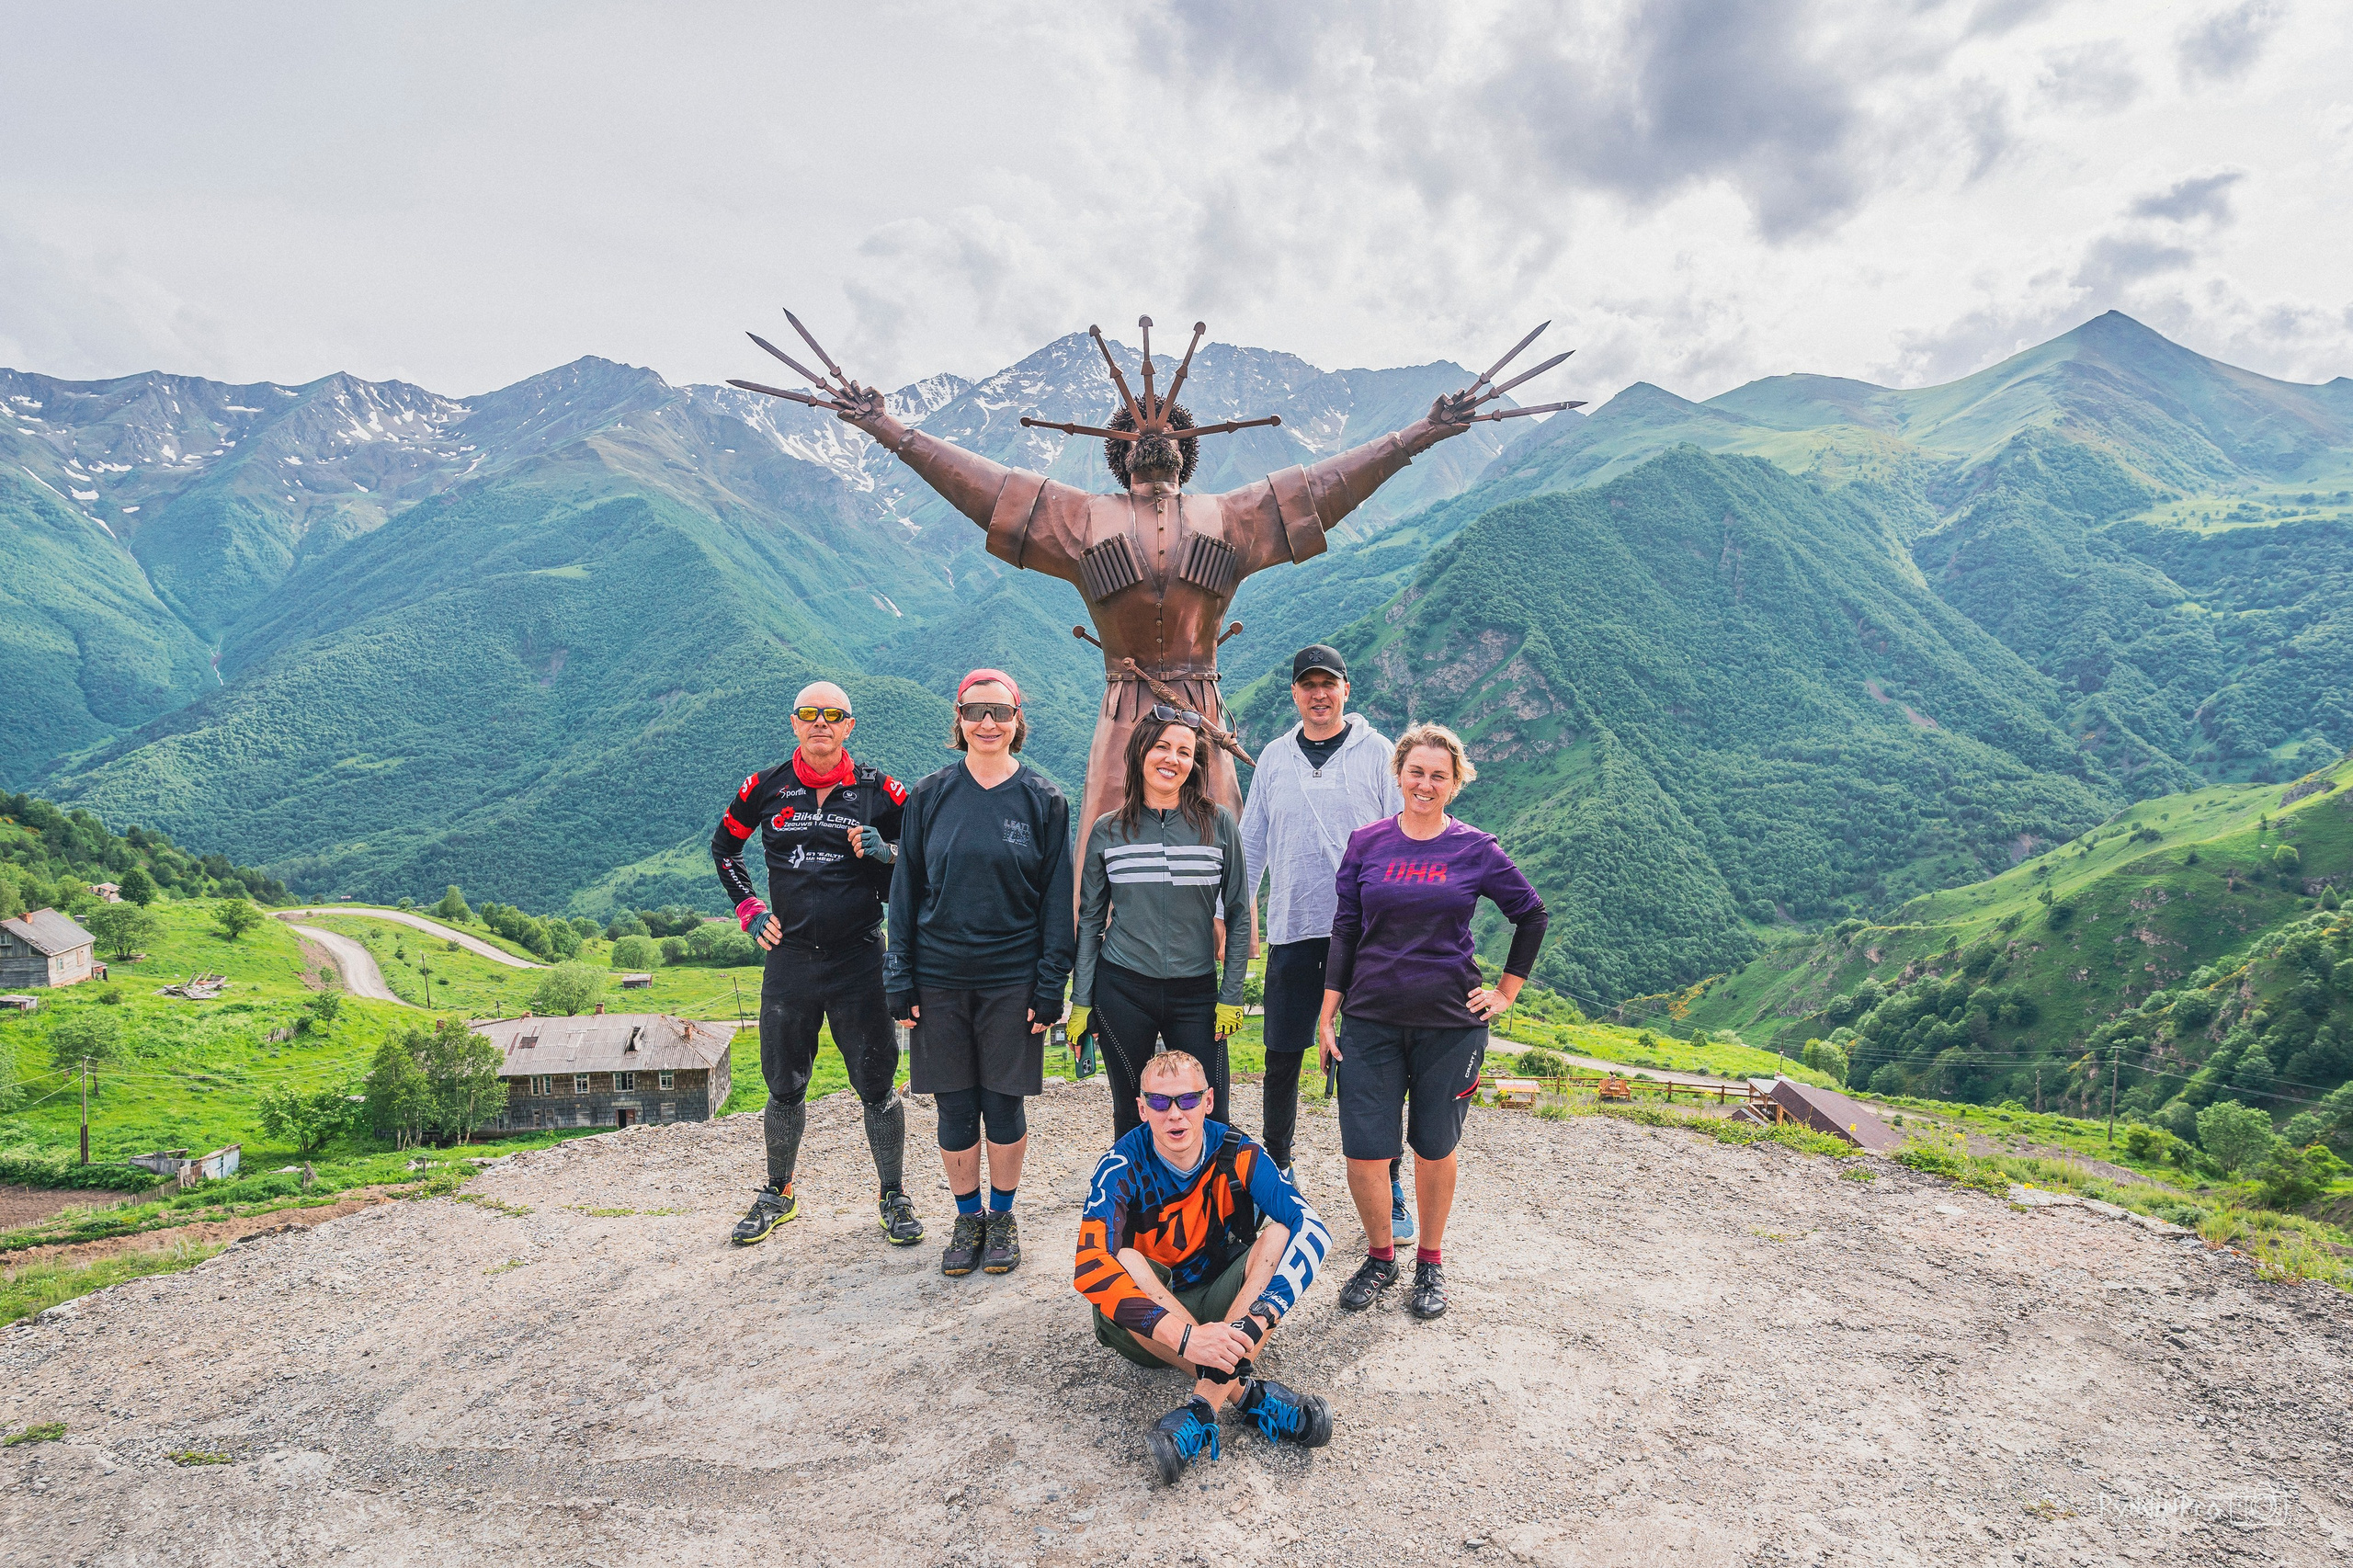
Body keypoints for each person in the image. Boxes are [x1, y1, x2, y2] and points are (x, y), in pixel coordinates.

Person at [1318, 722, 1547, 1322]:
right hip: (1369, 1021)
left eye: (1437, 775)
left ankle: (1430, 1262)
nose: (1425, 783)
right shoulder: (1366, 844)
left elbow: (1531, 913)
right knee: (1366, 1154)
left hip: (1450, 1025)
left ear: (1454, 783)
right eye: (1415, 772)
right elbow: (1344, 932)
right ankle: (1380, 1255)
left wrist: (1505, 993)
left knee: (1433, 1147)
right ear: (1398, 775)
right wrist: (1327, 1015)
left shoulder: (1476, 848)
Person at [710, 679, 921, 1248]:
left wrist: (889, 853)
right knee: (782, 1086)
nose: (821, 722)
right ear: (795, 723)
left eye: (833, 714)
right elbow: (724, 848)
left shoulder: (882, 791)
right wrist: (749, 908)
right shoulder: (765, 787)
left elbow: (924, 862)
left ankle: (893, 1195)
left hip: (860, 959)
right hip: (790, 959)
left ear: (849, 726)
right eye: (810, 713)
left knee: (877, 1086)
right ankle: (779, 1191)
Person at [885, 668, 1075, 1278]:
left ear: (1018, 720)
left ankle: (1002, 1215)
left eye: (999, 712)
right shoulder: (929, 796)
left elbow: (1055, 902)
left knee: (1005, 1104)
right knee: (955, 1107)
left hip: (1013, 979)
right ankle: (967, 1218)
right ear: (958, 720)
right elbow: (905, 891)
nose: (987, 723)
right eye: (974, 712)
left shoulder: (1044, 801)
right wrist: (899, 977)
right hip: (939, 976)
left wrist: (1052, 985)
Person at [1074, 1049, 1336, 1484]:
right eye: (1159, 1102)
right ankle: (1248, 1395)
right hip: (1151, 1323)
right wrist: (1187, 1338)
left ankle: (1201, 1408)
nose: (1174, 1115)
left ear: (1209, 1101)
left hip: (1224, 1310)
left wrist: (1253, 1324)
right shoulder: (1119, 1164)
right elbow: (1088, 1265)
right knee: (1125, 1258)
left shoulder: (1238, 1150)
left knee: (1278, 1235)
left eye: (1188, 1100)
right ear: (1141, 1108)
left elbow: (1312, 1226)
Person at [1239, 643, 1414, 1233]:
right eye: (1307, 684)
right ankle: (1278, 1174)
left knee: (1370, 1064)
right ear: (1294, 693)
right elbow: (1252, 841)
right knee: (1281, 1056)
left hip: (1365, 936)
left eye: (1328, 684)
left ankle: (1389, 1185)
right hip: (1293, 927)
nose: (1318, 694)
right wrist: (1231, 909)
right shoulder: (1274, 757)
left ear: (1345, 690)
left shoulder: (1378, 754)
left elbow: (1404, 837)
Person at [1069, 706, 1252, 1140]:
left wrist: (1231, 993)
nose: (1173, 759)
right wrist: (1080, 1001)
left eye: (1185, 752)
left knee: (1210, 1110)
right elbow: (1091, 918)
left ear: (1195, 764)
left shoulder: (1218, 824)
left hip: (1198, 991)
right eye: (1162, 747)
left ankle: (1210, 1204)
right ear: (1140, 754)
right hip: (1122, 989)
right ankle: (1135, 1205)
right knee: (1132, 1112)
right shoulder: (1108, 831)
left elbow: (1241, 913)